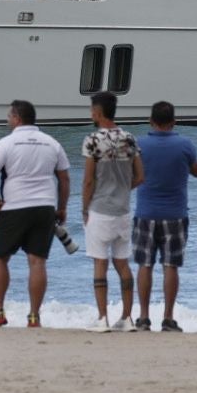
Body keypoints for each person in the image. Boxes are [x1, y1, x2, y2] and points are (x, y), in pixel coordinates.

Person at [0, 100, 70, 329]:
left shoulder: (6, 143)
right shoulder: (52, 143)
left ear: (17, 118)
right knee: (37, 261)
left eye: (9, 116)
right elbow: (65, 178)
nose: (7, 120)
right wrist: (61, 207)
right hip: (45, 207)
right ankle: (34, 316)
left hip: (15, 206)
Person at [131, 101, 197, 332]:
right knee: (171, 266)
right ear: (173, 121)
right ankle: (168, 318)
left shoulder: (139, 144)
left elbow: (131, 173)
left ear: (151, 121)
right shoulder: (184, 144)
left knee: (145, 265)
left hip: (145, 212)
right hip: (175, 213)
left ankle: (142, 317)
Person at [80, 92, 142, 331]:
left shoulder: (92, 141)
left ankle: (102, 317)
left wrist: (85, 208)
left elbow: (88, 181)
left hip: (100, 208)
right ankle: (127, 318)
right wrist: (125, 190)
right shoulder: (129, 139)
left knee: (100, 263)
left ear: (97, 112)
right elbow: (140, 176)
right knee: (122, 263)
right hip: (123, 209)